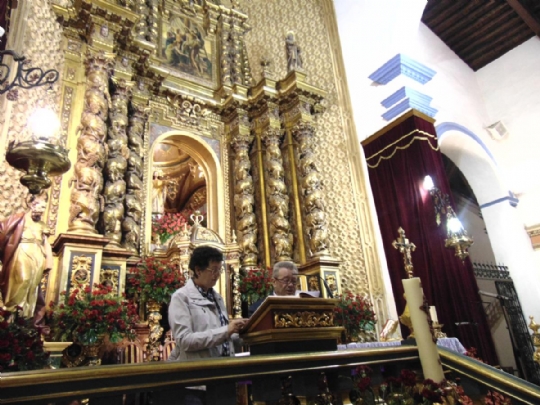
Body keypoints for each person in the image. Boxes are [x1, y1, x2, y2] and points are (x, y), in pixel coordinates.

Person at [168, 245, 246, 361]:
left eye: (220, 270)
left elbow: (221, 337)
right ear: (198, 270)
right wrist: (226, 330)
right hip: (199, 370)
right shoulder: (181, 298)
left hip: (224, 366)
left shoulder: (217, 298)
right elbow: (185, 340)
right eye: (214, 270)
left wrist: (242, 332)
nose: (218, 274)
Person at [0, 192, 53, 319]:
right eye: (40, 206)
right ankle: (10, 312)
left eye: (44, 208)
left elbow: (45, 243)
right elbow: (4, 231)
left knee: (33, 285)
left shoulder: (42, 225)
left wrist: (48, 261)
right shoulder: (18, 219)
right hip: (22, 251)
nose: (42, 210)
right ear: (31, 204)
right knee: (23, 280)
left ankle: (25, 317)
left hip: (38, 255)